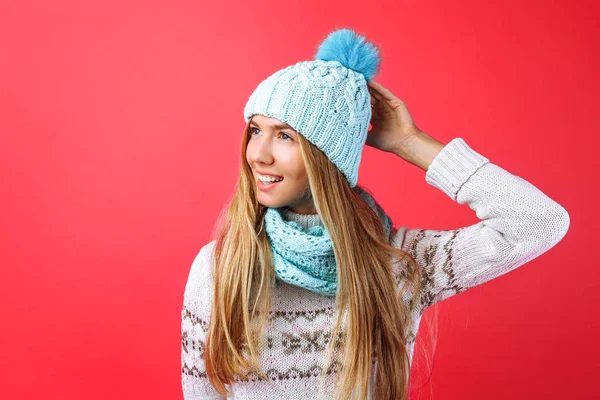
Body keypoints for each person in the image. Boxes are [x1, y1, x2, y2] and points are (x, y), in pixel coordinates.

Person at [181, 28, 570, 400]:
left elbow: (538, 222)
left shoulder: (400, 263)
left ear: (328, 157)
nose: (258, 153)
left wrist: (410, 143)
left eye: (285, 136)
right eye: (255, 130)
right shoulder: (221, 267)